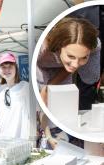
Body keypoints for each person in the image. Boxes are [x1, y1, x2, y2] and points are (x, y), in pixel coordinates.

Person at [37, 17, 99, 149]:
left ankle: (64, 135)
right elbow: (41, 105)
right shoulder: (41, 47)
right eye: (71, 56)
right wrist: (46, 88)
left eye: (83, 57)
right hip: (42, 68)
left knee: (67, 102)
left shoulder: (94, 45)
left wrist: (53, 83)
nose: (76, 64)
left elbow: (89, 77)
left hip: (62, 71)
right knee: (44, 101)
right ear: (59, 47)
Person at [0, 53, 30, 139]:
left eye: (10, 66)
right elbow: (0, 122)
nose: (7, 70)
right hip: (4, 141)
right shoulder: (1, 95)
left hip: (23, 140)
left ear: (16, 68)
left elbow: (37, 113)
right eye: (3, 67)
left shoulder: (26, 87)